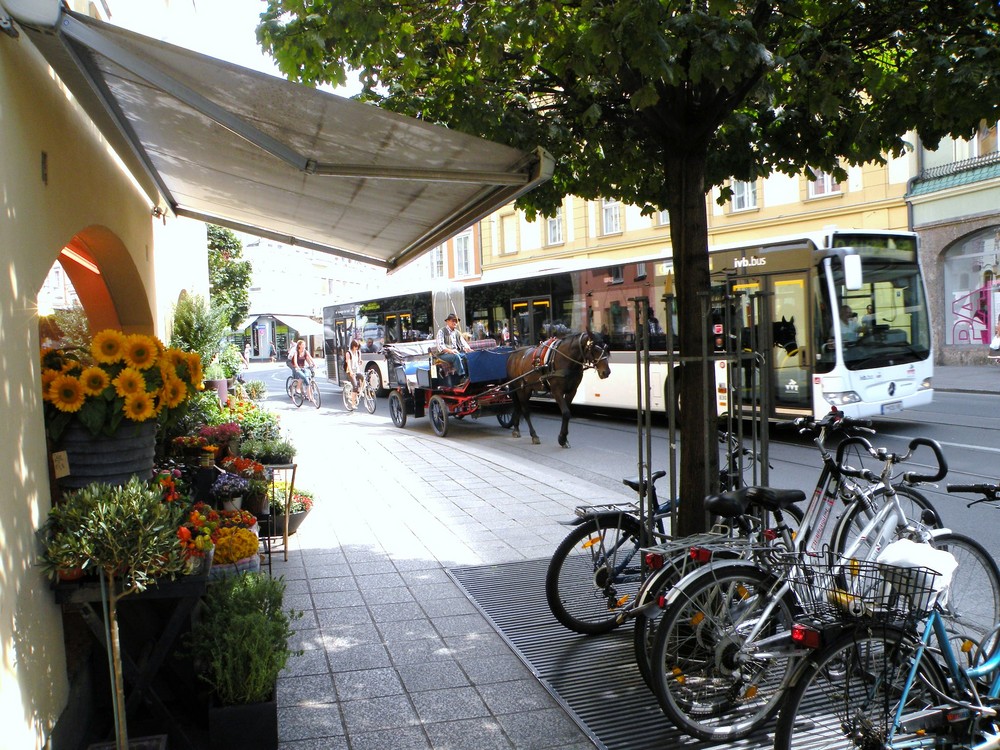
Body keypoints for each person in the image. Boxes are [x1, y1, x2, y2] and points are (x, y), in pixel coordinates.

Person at [435, 313, 471, 379]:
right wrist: (450, 351)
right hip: (443, 355)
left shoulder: (457, 333)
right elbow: (440, 346)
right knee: (456, 356)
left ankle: (469, 375)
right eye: (453, 321)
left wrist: (468, 349)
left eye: (456, 321)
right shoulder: (441, 331)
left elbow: (463, 343)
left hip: (455, 353)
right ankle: (462, 376)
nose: (454, 322)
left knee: (468, 356)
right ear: (447, 321)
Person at [287, 339, 316, 403]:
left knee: (307, 378)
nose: (304, 346)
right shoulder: (295, 351)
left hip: (302, 367)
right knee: (302, 376)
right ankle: (297, 388)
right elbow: (294, 361)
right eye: (303, 345)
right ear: (299, 345)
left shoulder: (305, 351)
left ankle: (310, 397)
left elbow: (309, 358)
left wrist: (313, 364)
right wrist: (297, 367)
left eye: (304, 345)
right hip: (293, 365)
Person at [344, 339, 364, 407]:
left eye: (358, 347)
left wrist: (360, 361)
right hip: (350, 372)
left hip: (357, 370)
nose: (357, 348)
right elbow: (348, 363)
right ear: (353, 346)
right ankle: (353, 404)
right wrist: (351, 372)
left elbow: (359, 360)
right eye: (356, 347)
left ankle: (360, 390)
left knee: (363, 378)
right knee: (355, 386)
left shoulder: (358, 352)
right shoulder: (348, 353)